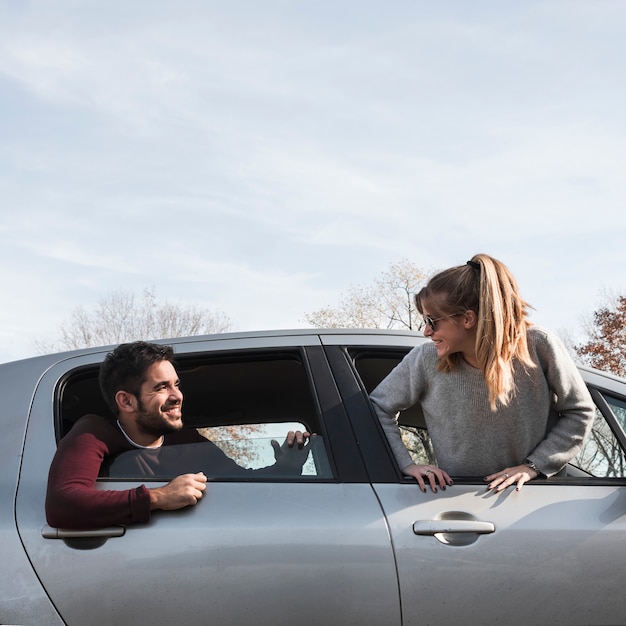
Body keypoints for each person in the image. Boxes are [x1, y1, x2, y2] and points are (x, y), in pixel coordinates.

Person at [370, 253, 595, 494]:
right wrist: (406, 464)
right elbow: (377, 406)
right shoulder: (425, 359)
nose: (426, 331)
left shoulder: (539, 346)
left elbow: (580, 411)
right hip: (459, 505)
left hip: (533, 502)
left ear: (467, 319)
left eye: (432, 321)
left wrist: (533, 466)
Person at [46, 341, 314, 529]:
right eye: (162, 387)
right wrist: (159, 497)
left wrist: (286, 466)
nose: (177, 396)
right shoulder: (95, 433)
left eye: (176, 385)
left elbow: (242, 486)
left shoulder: (188, 442)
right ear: (126, 402)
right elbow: (63, 503)